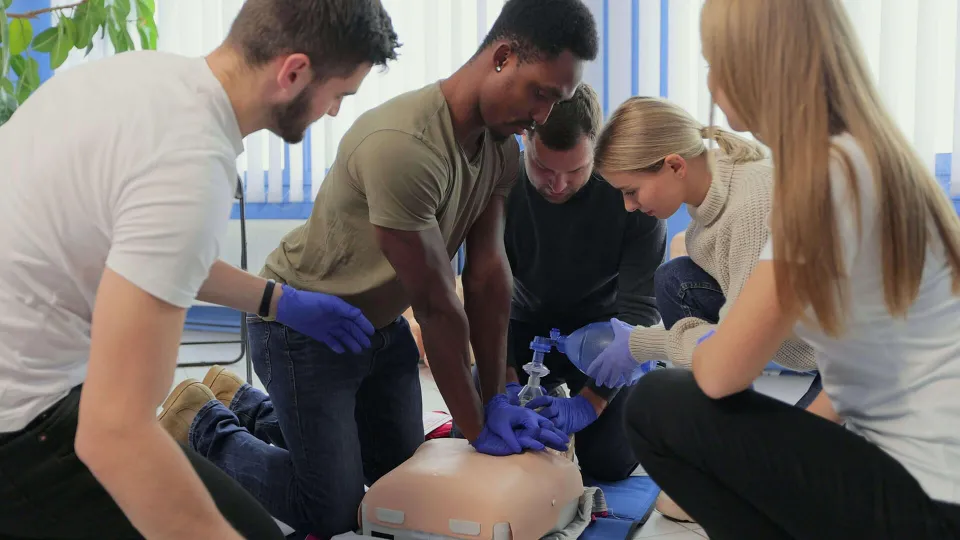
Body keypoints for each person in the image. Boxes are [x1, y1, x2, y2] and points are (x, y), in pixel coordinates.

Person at [158, 0, 600, 537]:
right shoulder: (405, 147)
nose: (543, 117)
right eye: (541, 94)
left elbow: (486, 276)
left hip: (379, 328)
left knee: (398, 480)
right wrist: (476, 423)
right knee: (333, 509)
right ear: (503, 56)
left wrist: (497, 393)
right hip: (302, 330)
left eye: (556, 102)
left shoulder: (499, 150)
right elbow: (438, 304)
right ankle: (200, 421)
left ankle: (242, 402)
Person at [0, 1, 398, 538]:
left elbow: (155, 252)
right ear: (294, 73)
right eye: (339, 95)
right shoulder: (191, 164)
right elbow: (113, 432)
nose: (332, 112)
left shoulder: (149, 80)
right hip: (23, 426)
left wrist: (278, 302)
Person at [621, 0, 960, 538]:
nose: (710, 84)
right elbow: (861, 380)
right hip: (936, 475)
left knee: (654, 405)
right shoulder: (869, 158)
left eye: (715, 63)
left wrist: (647, 344)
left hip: (930, 499)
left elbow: (722, 370)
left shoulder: (825, 178)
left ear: (756, 65)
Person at [587, 95, 818, 522]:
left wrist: (643, 343)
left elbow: (736, 347)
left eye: (631, 191)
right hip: (794, 335)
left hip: (846, 357)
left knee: (796, 488)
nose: (629, 206)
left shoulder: (751, 206)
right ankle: (724, 455)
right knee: (676, 279)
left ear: (674, 165)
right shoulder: (706, 203)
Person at [500, 83, 666, 481]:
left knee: (608, 463)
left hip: (604, 339)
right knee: (493, 440)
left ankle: (651, 380)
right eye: (543, 168)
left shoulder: (632, 194)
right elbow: (485, 294)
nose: (557, 185)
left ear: (597, 146)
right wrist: (502, 384)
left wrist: (590, 403)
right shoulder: (501, 186)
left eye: (575, 171)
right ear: (526, 137)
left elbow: (640, 308)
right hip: (521, 326)